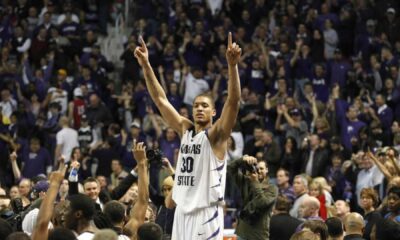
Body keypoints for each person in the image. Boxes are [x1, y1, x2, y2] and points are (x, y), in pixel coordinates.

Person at [135, 32, 241, 240]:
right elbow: (160, 100)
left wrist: (232, 66)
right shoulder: (186, 129)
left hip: (206, 212)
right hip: (182, 210)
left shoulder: (216, 135)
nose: (199, 109)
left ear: (213, 112)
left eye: (205, 106)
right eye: (196, 106)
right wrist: (146, 65)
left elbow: (233, 102)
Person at [228, 155, 277, 239]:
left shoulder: (272, 188)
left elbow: (263, 202)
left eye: (261, 168)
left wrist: (255, 182)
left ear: (267, 170)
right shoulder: (246, 182)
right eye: (256, 168)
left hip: (258, 235)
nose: (258, 171)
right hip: (242, 233)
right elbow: (230, 168)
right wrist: (242, 159)